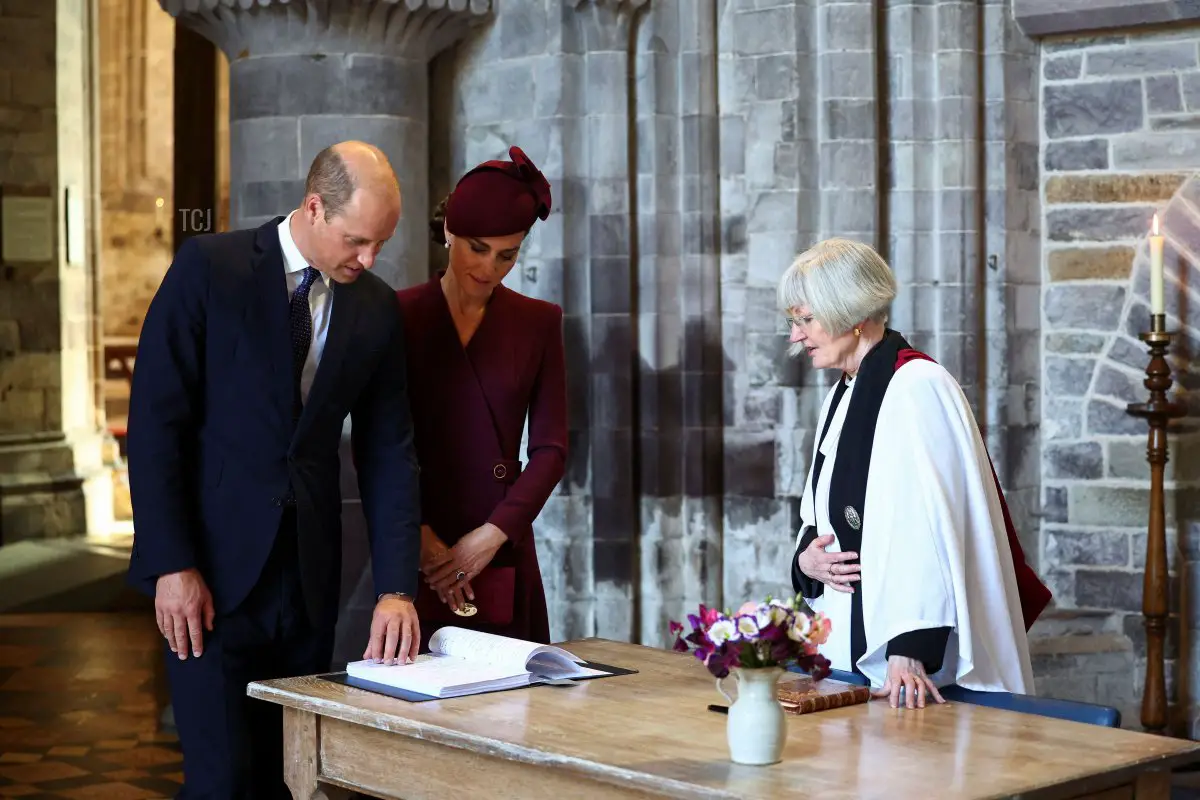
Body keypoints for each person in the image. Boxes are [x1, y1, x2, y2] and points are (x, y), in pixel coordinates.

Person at [125, 141, 423, 799]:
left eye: (382, 244)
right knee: (220, 783)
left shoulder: (374, 307)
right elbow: (155, 427)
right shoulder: (210, 268)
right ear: (314, 207)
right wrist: (171, 564)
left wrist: (396, 587)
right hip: (208, 582)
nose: (369, 259)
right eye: (357, 241)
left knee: (288, 781)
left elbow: (388, 451)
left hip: (309, 582)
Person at [781, 238, 1052, 710]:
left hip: (907, 664)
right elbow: (819, 512)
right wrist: (807, 562)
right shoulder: (844, 392)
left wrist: (910, 648)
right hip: (845, 640)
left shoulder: (916, 385)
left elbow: (932, 526)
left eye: (806, 319)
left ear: (854, 311)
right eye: (794, 321)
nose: (795, 336)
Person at [396, 145, 567, 649]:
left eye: (507, 254)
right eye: (476, 247)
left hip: (500, 543)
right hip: (412, 540)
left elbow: (552, 449)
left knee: (509, 714)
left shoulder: (540, 322)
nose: (489, 267)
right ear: (448, 231)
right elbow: (377, 440)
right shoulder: (397, 315)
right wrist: (422, 539)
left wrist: (491, 537)